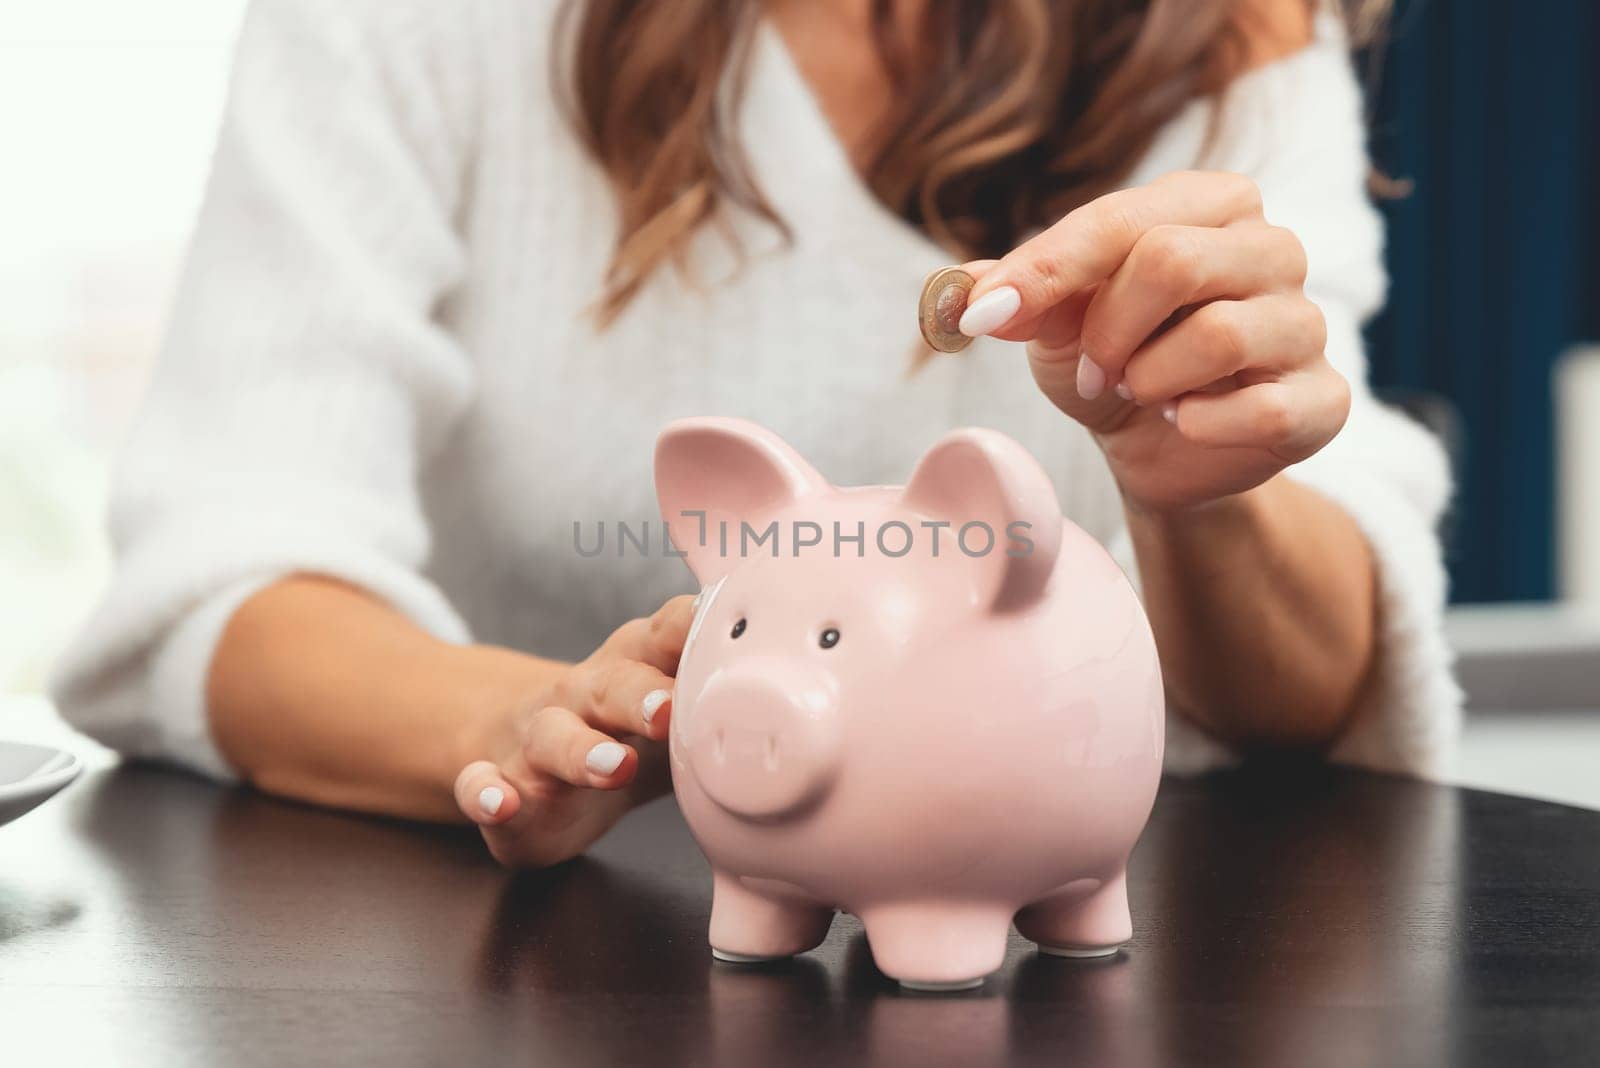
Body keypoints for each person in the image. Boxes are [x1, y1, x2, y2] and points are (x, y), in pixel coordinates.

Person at [53, 0, 1459, 868]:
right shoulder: (423, 26)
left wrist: (1197, 493)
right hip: (500, 954)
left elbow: (1316, 678)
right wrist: (507, 719)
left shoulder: (1225, 24)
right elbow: (228, 566)